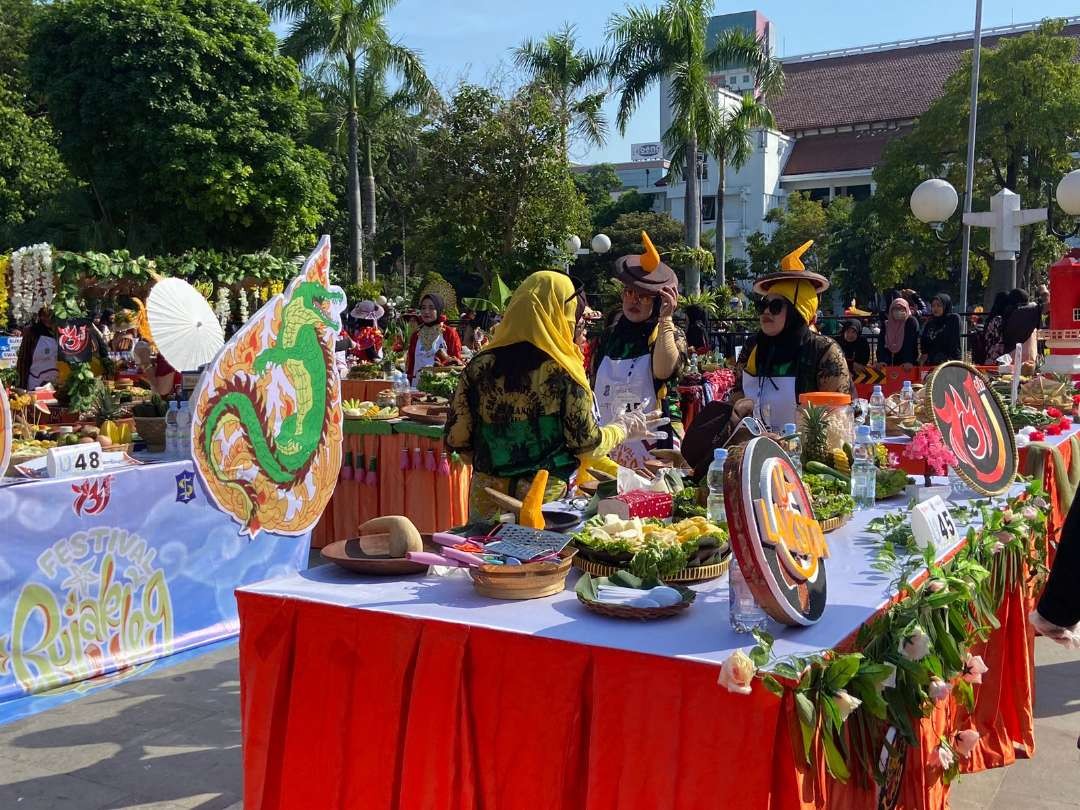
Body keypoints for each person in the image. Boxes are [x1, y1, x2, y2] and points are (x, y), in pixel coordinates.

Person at [445, 271, 653, 519]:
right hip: (544, 505)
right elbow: (586, 445)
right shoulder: (562, 371)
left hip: (487, 498)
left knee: (485, 555)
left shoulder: (478, 367)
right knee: (541, 559)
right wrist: (623, 428)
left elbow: (457, 441)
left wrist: (499, 460)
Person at [728, 240, 851, 430]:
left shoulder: (823, 350)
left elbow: (837, 416)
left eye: (776, 306)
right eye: (762, 305)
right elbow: (737, 392)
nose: (766, 312)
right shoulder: (752, 345)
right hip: (757, 445)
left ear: (798, 312)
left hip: (805, 452)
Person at [590, 232, 686, 472]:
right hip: (611, 435)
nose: (634, 300)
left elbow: (664, 371)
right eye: (629, 292)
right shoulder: (610, 335)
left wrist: (665, 319)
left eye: (643, 296)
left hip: (653, 439)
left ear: (657, 301)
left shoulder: (669, 332)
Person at [406, 293, 462, 386]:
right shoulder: (416, 334)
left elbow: (457, 364)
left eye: (431, 308)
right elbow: (411, 364)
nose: (426, 312)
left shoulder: (449, 333)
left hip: (440, 387)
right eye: (423, 308)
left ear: (439, 310)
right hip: (416, 386)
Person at [15, 309, 59, 390]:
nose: (48, 318)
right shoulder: (32, 332)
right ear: (40, 316)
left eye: (52, 315)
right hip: (36, 384)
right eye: (45, 315)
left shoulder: (63, 332)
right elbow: (23, 360)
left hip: (58, 383)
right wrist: (21, 386)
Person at [919, 293, 962, 366]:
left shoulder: (953, 319)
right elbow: (924, 345)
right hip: (931, 363)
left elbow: (954, 343)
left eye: (939, 305)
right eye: (933, 306)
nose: (935, 308)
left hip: (949, 363)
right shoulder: (930, 323)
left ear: (945, 306)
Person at [1002, 288, 1041, 365]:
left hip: (1009, 358)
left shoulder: (1008, 312)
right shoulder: (1026, 312)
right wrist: (1044, 292)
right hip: (1027, 360)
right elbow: (1043, 306)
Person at [877, 298, 919, 367]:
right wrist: (881, 360)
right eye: (895, 309)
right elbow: (881, 343)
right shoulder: (887, 324)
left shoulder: (910, 322)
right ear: (891, 310)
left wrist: (908, 361)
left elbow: (910, 343)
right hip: (888, 363)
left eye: (901, 308)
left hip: (906, 365)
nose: (898, 311)